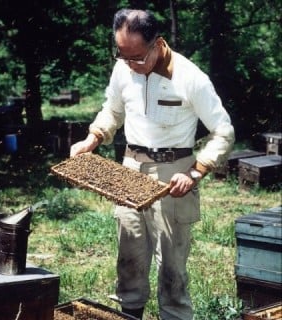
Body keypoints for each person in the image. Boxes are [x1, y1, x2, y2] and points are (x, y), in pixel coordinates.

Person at [70, 8, 235, 320]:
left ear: (157, 44)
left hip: (174, 174)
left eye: (137, 57)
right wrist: (92, 139)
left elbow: (223, 132)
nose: (130, 63)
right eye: (123, 55)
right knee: (128, 258)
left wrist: (196, 171)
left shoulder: (191, 78)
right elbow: (112, 111)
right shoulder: (123, 69)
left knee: (172, 267)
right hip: (129, 169)